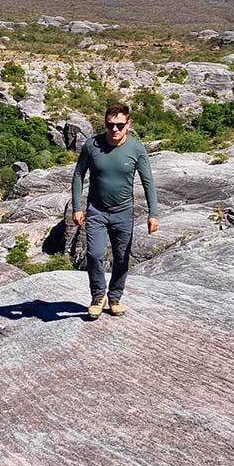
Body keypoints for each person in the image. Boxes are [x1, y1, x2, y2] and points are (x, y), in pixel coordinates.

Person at [71, 101, 159, 319]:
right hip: (97, 211)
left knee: (121, 258)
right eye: (110, 125)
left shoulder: (136, 148)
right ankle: (97, 296)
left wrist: (153, 213)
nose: (115, 130)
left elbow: (147, 180)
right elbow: (78, 175)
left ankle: (115, 297)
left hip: (123, 212)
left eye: (120, 125)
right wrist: (77, 207)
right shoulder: (92, 146)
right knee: (94, 254)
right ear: (105, 124)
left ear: (128, 123)